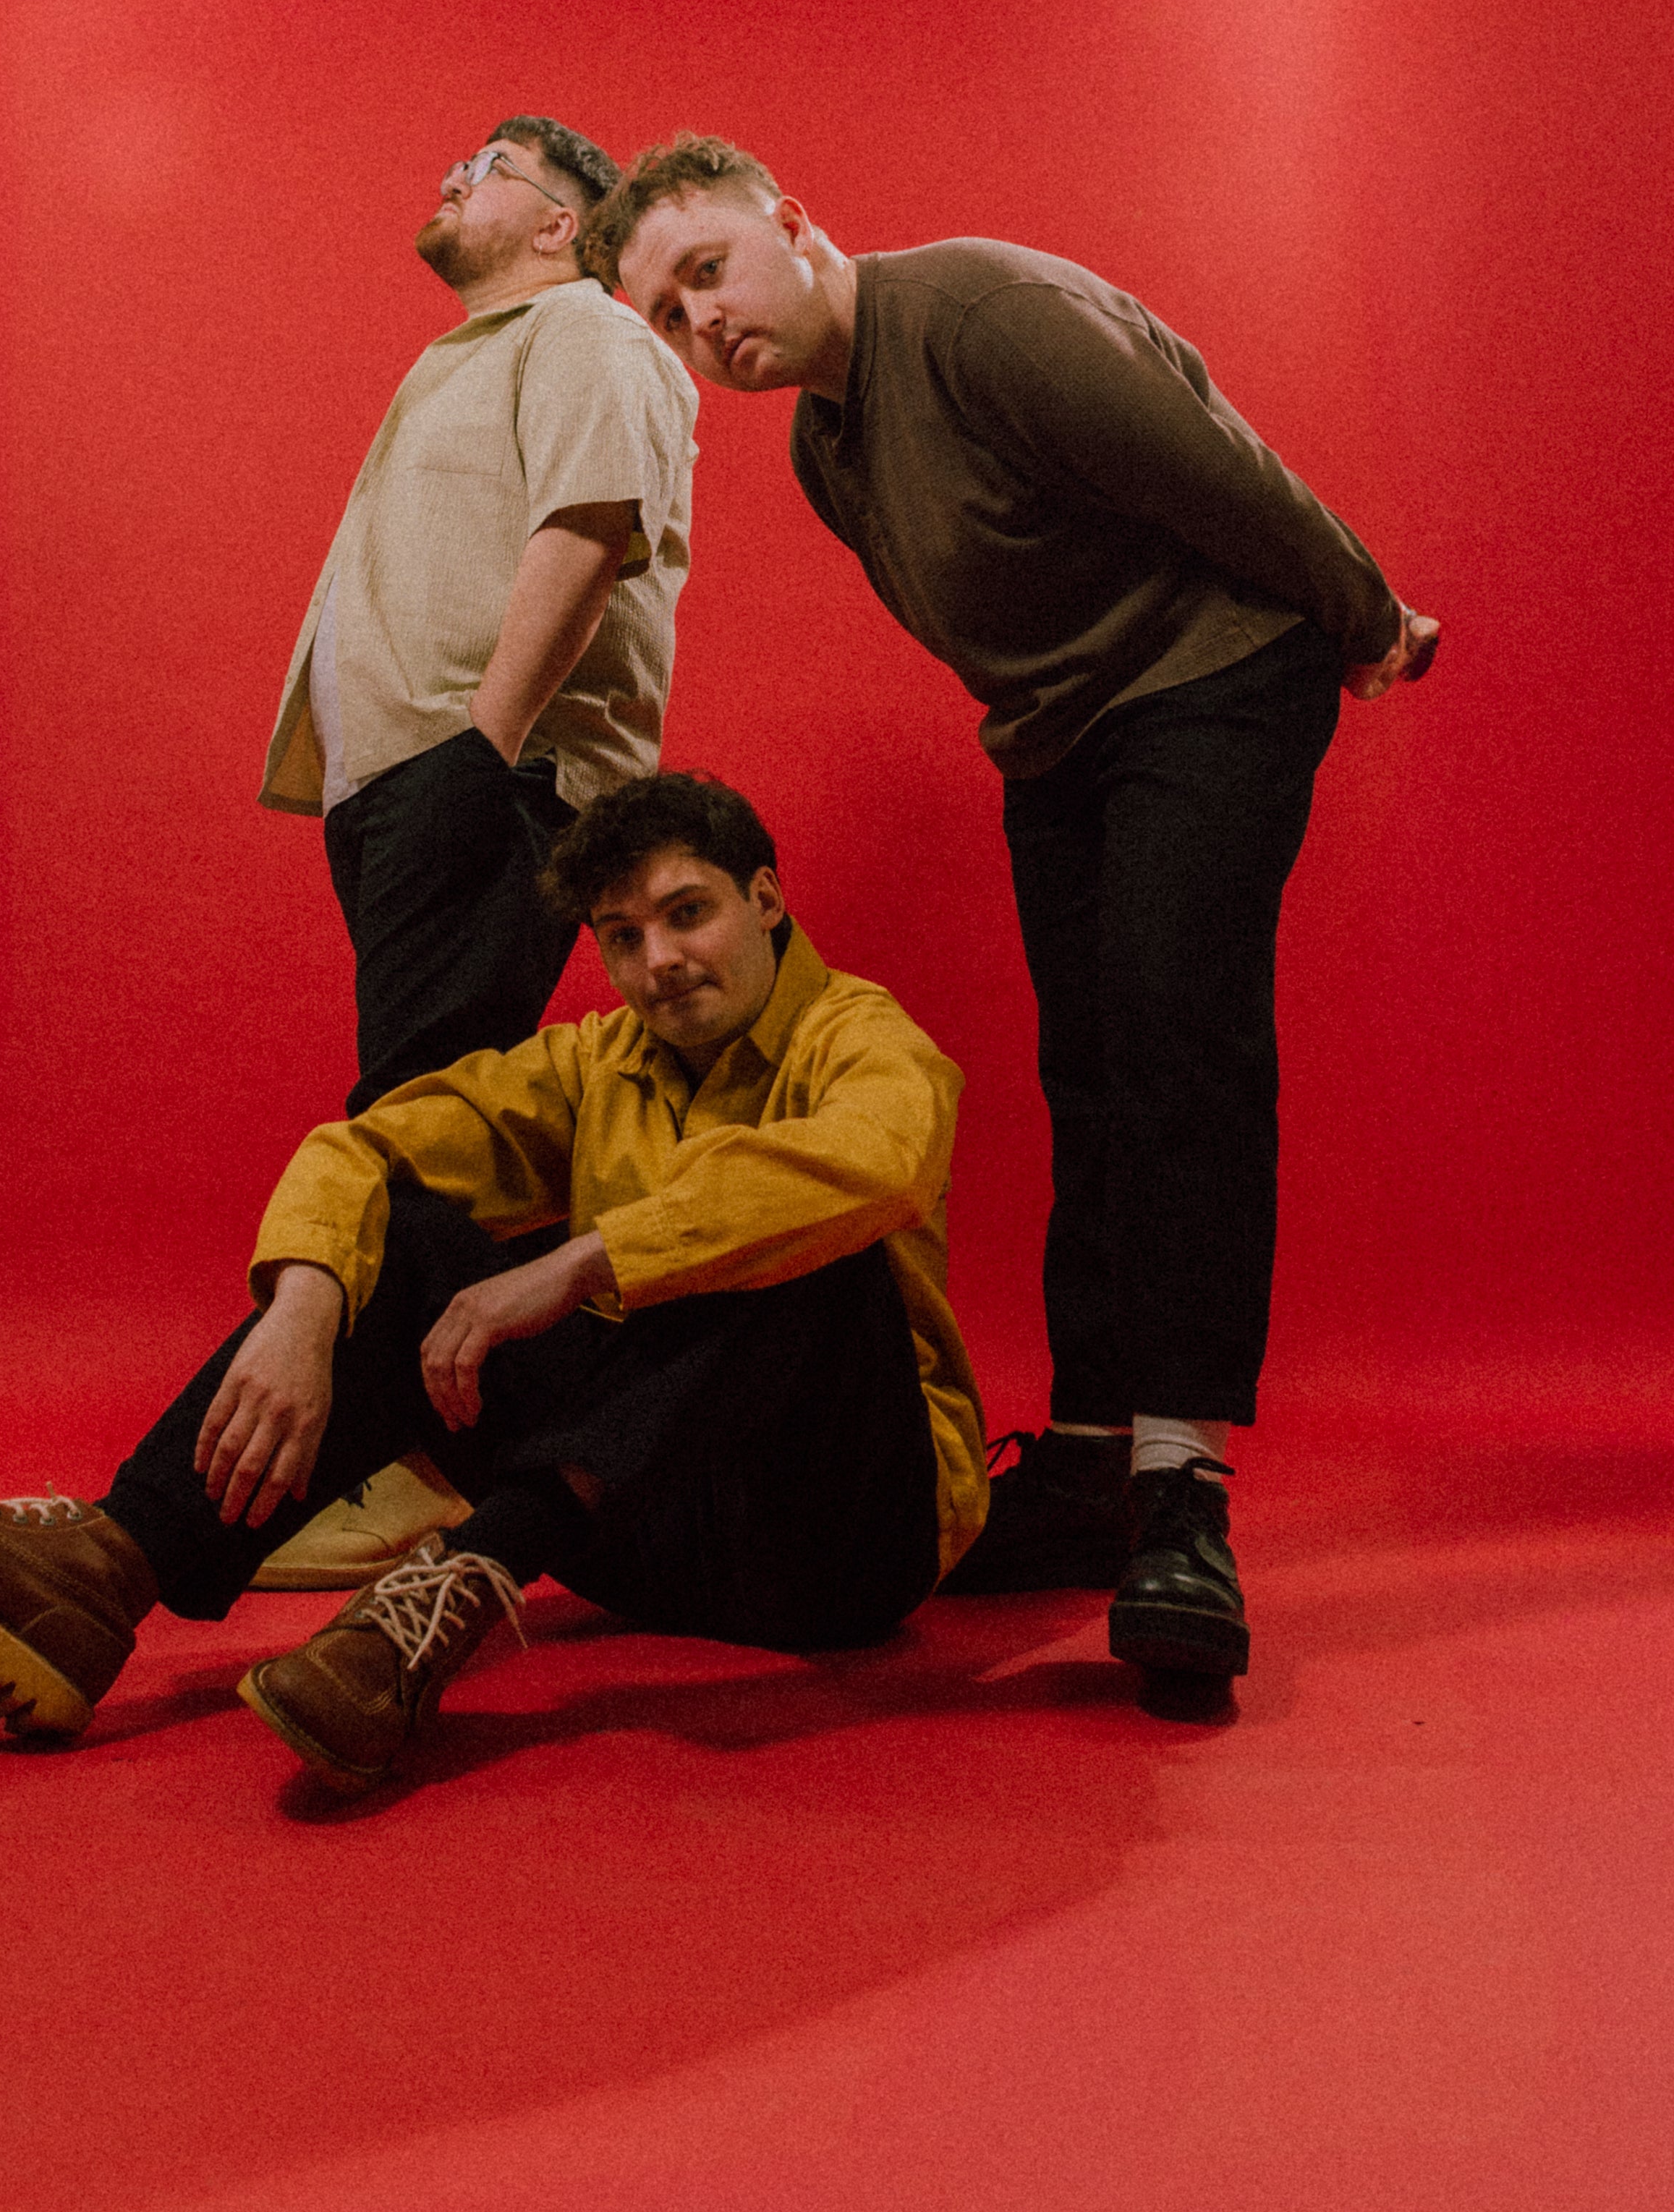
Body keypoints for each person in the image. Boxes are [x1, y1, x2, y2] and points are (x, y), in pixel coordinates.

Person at [590, 137, 1441, 1684]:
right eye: (667, 314)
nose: (704, 322)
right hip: (1064, 741)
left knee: (1176, 1048)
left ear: (793, 221)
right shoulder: (824, 451)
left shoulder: (982, 319)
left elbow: (1214, 467)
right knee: (1088, 1073)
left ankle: (1183, 1495)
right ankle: (1097, 1459)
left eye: (708, 270)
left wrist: (1366, 609)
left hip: (1214, 678)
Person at [0, 776, 987, 1799]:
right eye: (622, 937)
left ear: (764, 899)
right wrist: (304, 1307)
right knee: (397, 1233)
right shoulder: (599, 1060)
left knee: (801, 1247)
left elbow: (877, 1162)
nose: (659, 963)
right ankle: (100, 1575)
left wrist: (582, 1260)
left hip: (836, 1550)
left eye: (688, 914)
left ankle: (448, 1592)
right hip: (642, 1532)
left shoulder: (861, 1036)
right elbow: (370, 1149)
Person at [254, 116, 697, 1592]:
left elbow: (589, 528)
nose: (452, 175)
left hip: (484, 779)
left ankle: (405, 1466)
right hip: (412, 787)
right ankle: (506, 1461)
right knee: (435, 1124)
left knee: (413, 1125)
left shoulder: (588, 331)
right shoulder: (475, 352)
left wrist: (478, 752)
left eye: (489, 164)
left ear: (563, 224)